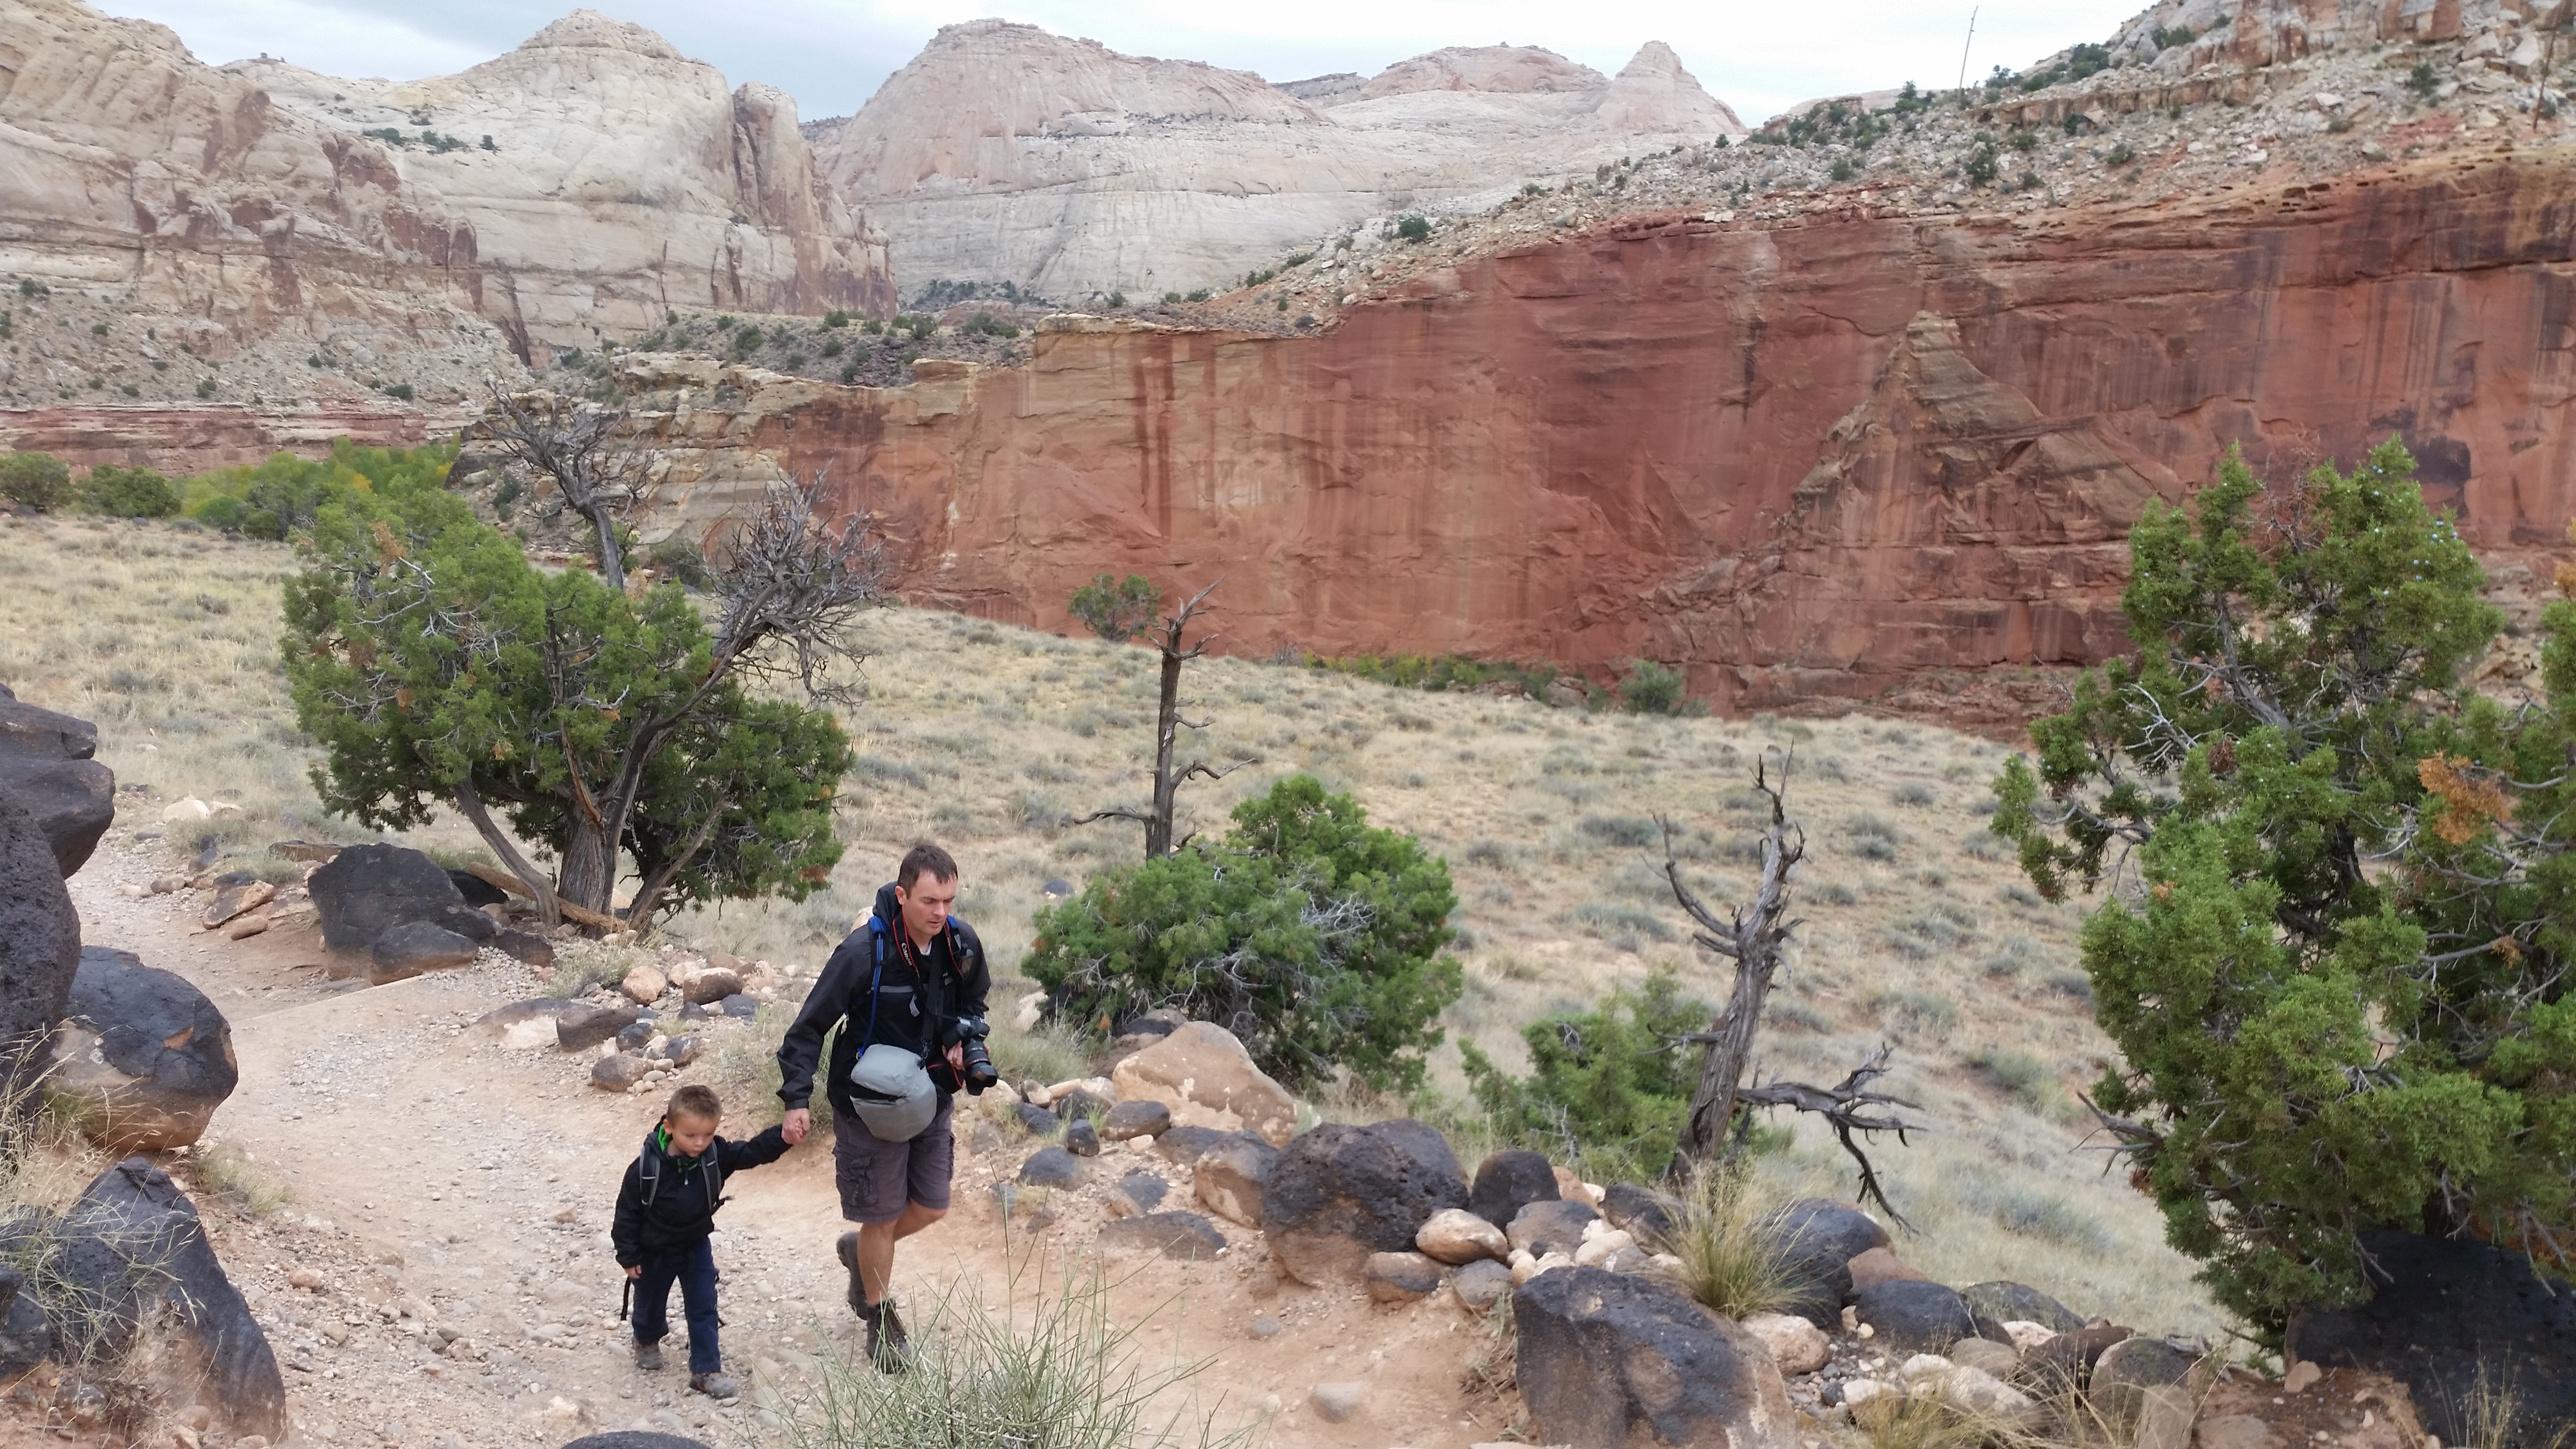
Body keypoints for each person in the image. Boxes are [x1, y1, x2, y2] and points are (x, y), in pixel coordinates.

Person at [776, 842, 991, 1372]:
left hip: (930, 1095)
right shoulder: (862, 952)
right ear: (902, 896)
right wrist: (796, 1099)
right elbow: (807, 1028)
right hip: (868, 1104)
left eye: (948, 900)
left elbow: (973, 1001)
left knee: (933, 1205)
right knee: (881, 1214)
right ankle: (879, 1318)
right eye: (928, 901)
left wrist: (963, 1038)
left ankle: (861, 1253)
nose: (940, 912)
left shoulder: (960, 943)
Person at [611, 1083, 790, 1400]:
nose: (700, 1143)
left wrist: (784, 1136)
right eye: (691, 1135)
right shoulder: (645, 1169)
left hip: (695, 1247)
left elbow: (751, 1152)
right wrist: (628, 1255)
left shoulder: (714, 1156)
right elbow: (626, 1213)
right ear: (669, 1127)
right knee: (650, 1302)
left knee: (704, 1306)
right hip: (653, 1251)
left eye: (708, 1135)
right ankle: (646, 1338)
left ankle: (706, 1370)